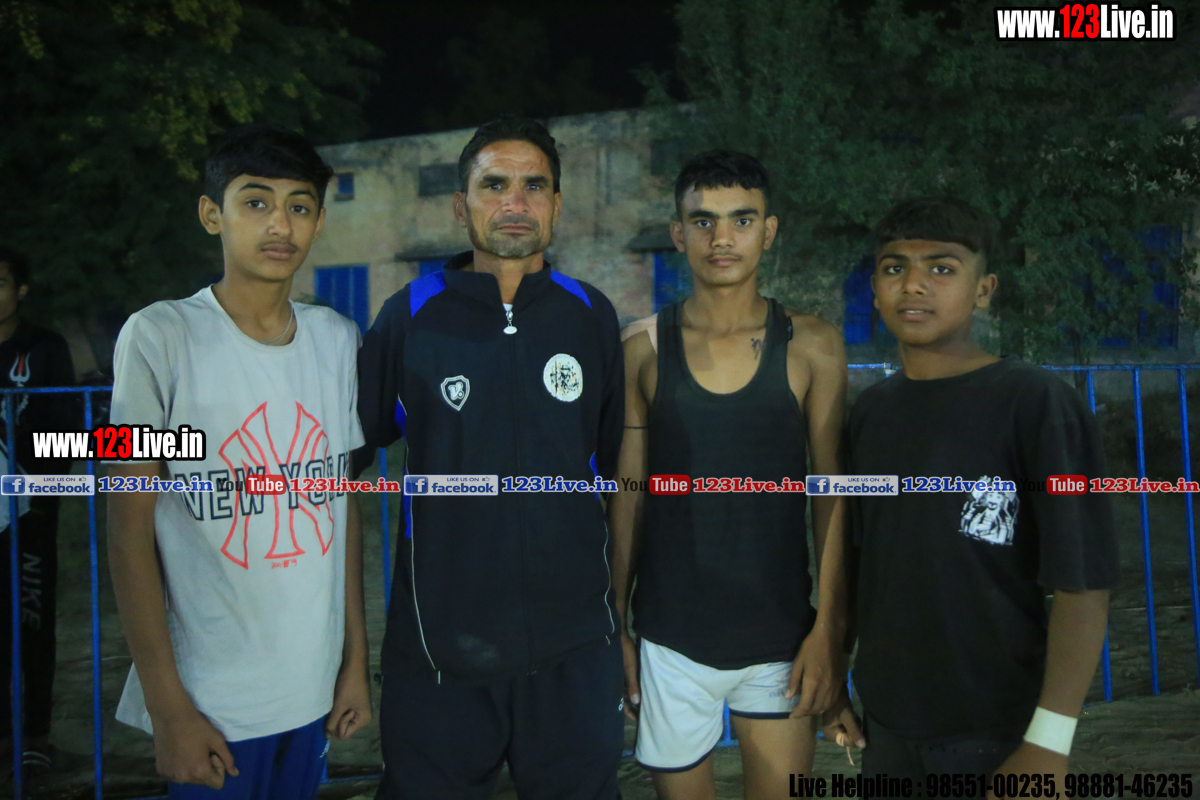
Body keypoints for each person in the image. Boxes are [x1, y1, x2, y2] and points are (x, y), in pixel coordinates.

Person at [357, 114, 626, 799]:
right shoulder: (409, 316)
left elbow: (618, 472)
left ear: (556, 205)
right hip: (439, 652)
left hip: (573, 650)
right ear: (461, 204)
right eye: (494, 184)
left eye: (534, 186)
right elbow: (346, 449)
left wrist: (622, 619)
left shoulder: (589, 315)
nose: (515, 202)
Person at [106, 124, 371, 799]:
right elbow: (128, 531)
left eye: (299, 206)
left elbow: (340, 508)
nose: (280, 223)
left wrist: (354, 663)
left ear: (318, 222)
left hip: (311, 689)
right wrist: (169, 710)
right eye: (256, 202)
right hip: (212, 703)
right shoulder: (158, 336)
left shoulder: (338, 341)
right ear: (211, 213)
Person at [824, 197, 1118, 788]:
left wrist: (1049, 742)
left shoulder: (1035, 402)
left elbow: (1083, 581)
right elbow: (860, 562)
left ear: (984, 289)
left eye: (942, 267)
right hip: (887, 724)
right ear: (875, 289)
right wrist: (837, 679)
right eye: (894, 267)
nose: (913, 285)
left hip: (995, 728)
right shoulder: (871, 412)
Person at [610, 150, 849, 800]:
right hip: (669, 636)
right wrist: (616, 625)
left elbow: (832, 498)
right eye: (704, 221)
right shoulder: (640, 348)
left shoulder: (813, 343)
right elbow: (628, 497)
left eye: (741, 220)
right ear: (678, 232)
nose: (722, 238)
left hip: (780, 634)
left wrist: (828, 631)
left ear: (768, 231)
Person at [0, 245, 77, 775]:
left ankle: (35, 737)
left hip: (32, 511)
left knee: (32, 620)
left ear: (20, 289)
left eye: (1, 282)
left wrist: (33, 478)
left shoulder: (44, 348)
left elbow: (66, 430)